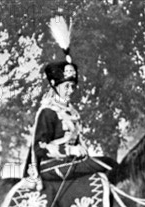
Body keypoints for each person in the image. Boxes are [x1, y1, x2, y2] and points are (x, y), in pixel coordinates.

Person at [23, 16, 115, 189]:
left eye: (73, 86)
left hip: (71, 163)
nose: (70, 90)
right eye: (66, 86)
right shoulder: (47, 111)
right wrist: (70, 151)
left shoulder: (72, 111)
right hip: (49, 166)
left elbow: (77, 140)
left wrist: (81, 150)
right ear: (55, 85)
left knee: (106, 163)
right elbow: (39, 147)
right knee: (107, 164)